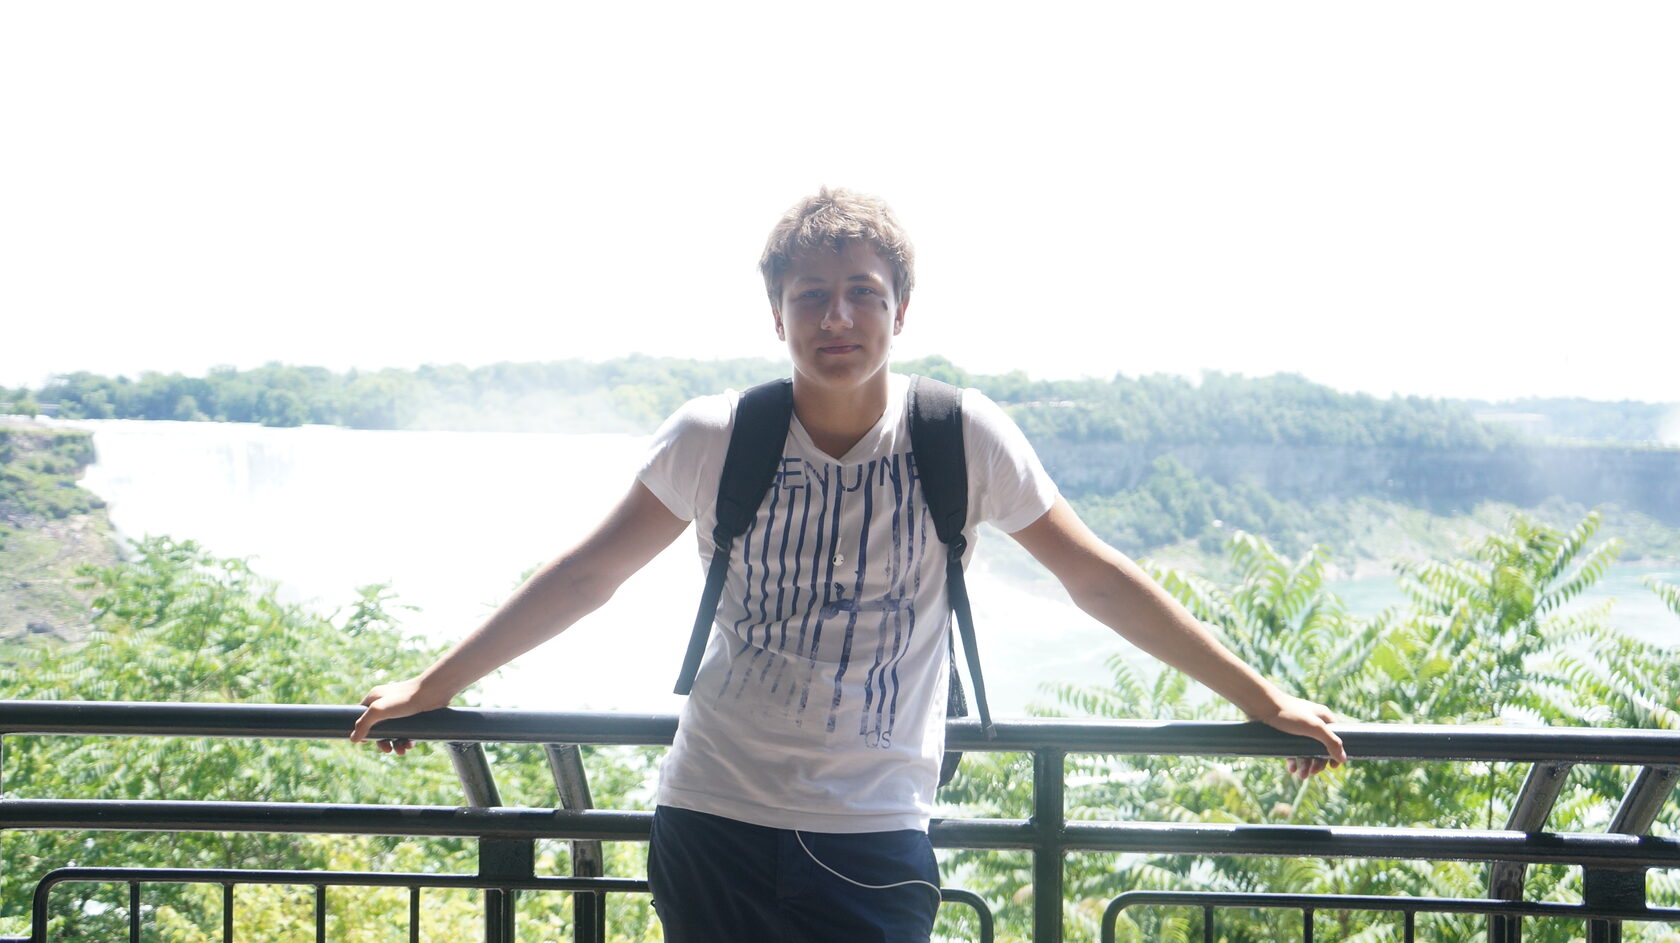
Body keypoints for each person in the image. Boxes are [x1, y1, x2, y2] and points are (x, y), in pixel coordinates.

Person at [351, 187, 1347, 942]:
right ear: (775, 314)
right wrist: (433, 686)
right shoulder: (714, 436)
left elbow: (1093, 577)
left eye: (863, 294)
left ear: (901, 311)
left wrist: (1263, 700)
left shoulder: (962, 436)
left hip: (873, 834)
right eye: (812, 296)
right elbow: (584, 576)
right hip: (711, 814)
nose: (837, 317)